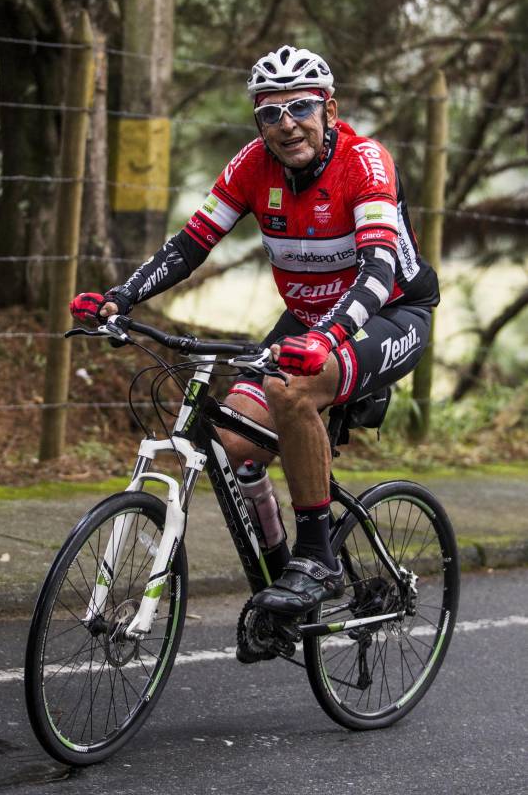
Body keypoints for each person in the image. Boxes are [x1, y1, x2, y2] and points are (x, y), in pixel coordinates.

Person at [71, 45, 439, 617]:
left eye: (301, 108)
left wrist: (327, 338)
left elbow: (378, 271)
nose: (286, 124)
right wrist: (121, 297)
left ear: (329, 110)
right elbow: (190, 244)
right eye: (271, 112)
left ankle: (316, 558)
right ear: (258, 122)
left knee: (291, 390)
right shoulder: (252, 165)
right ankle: (278, 581)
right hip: (308, 320)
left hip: (389, 312)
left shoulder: (365, 163)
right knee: (232, 444)